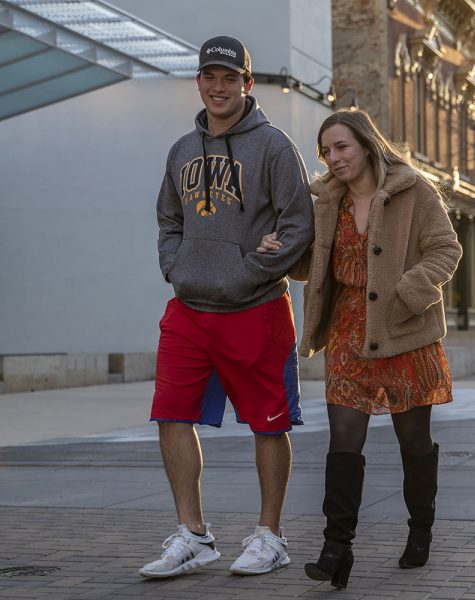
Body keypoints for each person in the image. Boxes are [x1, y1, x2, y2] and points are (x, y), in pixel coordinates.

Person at [258, 109, 462, 588]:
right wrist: (281, 249)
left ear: (367, 145)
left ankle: (420, 529)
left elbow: (446, 250)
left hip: (404, 329)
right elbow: (313, 264)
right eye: (326, 151)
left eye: (342, 147)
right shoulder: (326, 201)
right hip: (349, 333)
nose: (334, 158)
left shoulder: (416, 192)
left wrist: (412, 287)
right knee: (343, 443)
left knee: (413, 441)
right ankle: (337, 548)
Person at [139, 36, 314, 579]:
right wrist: (177, 265)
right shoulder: (181, 151)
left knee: (269, 424)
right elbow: (169, 220)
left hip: (255, 307)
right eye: (210, 77)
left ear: (247, 83)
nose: (219, 87)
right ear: (199, 82)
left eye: (229, 78)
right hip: (189, 308)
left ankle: (270, 536)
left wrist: (252, 269)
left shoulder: (275, 148)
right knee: (170, 415)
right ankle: (194, 535)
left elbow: (298, 224)